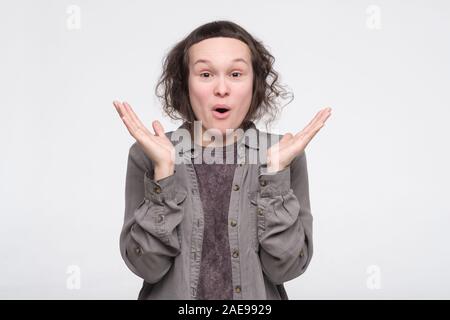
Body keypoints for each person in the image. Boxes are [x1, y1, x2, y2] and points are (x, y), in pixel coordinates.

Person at [113, 20, 332, 300]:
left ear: (254, 84)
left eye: (236, 73)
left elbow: (286, 269)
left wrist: (276, 174)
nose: (221, 88)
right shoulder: (150, 153)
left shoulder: (283, 154)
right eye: (205, 74)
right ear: (185, 84)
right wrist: (164, 173)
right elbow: (147, 267)